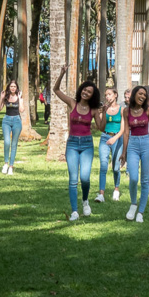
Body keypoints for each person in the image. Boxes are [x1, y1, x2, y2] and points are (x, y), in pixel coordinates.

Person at [53, 64, 105, 222]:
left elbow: (101, 128)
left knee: (85, 178)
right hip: (72, 144)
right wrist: (62, 74)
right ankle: (75, 211)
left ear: (92, 96)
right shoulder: (72, 103)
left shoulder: (93, 110)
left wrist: (104, 113)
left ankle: (85, 201)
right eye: (84, 90)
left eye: (89, 92)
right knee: (73, 179)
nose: (85, 92)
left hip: (87, 145)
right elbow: (56, 90)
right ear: (81, 90)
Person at [119, 84, 149, 223]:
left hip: (146, 144)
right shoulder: (126, 111)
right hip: (133, 145)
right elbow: (126, 132)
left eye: (144, 95)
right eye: (140, 94)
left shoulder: (148, 110)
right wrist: (124, 152)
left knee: (145, 180)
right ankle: (133, 204)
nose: (142, 96)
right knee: (133, 178)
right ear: (134, 94)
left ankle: (140, 212)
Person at [95, 87, 123, 202]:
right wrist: (102, 112)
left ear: (115, 95)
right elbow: (101, 127)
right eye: (106, 95)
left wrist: (115, 138)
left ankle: (116, 189)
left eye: (110, 94)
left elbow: (123, 129)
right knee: (103, 165)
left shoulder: (122, 110)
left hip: (117, 138)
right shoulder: (104, 109)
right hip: (105, 137)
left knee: (116, 168)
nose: (107, 97)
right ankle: (101, 194)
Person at [0, 79, 23, 175]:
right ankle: (5, 164)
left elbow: (22, 110)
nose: (13, 88)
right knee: (7, 142)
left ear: (17, 88)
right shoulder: (6, 97)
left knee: (14, 144)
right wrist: (1, 98)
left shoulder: (19, 97)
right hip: (6, 121)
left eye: (14, 86)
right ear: (9, 87)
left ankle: (11, 166)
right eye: (11, 86)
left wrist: (19, 98)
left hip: (17, 121)